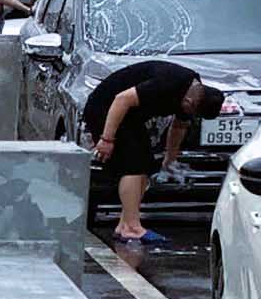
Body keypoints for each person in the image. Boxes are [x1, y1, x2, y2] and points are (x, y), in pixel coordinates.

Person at [79, 54, 225, 249]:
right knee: (132, 165)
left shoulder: (194, 93)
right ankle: (131, 227)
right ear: (189, 102)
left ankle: (125, 224)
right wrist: (107, 139)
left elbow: (179, 127)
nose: (188, 115)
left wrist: (169, 159)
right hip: (106, 108)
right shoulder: (168, 83)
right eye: (191, 112)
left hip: (131, 117)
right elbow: (122, 99)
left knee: (145, 163)